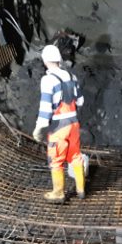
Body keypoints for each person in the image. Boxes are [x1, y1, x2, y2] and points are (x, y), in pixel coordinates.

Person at [32, 44, 85, 203]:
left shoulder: (47, 80)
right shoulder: (72, 77)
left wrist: (39, 128)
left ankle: (58, 193)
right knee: (75, 156)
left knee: (56, 159)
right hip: (74, 123)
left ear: (45, 60)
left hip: (58, 127)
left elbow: (45, 107)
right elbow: (80, 101)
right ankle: (81, 190)